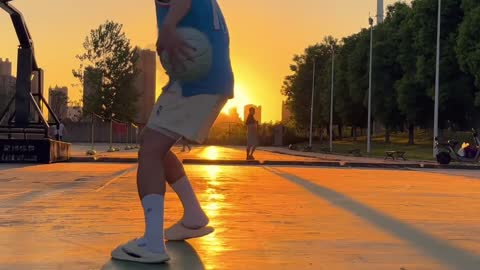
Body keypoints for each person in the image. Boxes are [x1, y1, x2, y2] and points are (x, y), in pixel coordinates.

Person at [111, 0, 234, 264]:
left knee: (150, 151)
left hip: (201, 81)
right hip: (200, 79)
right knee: (153, 143)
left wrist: (167, 26)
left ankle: (153, 243)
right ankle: (193, 216)